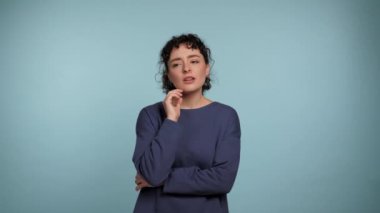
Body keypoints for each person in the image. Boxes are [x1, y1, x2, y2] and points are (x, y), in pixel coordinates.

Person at [132, 33, 241, 213]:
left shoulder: (226, 116)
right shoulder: (150, 115)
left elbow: (223, 179)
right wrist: (171, 119)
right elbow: (151, 173)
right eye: (176, 64)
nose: (186, 69)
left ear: (206, 68)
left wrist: (163, 181)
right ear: (168, 75)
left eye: (194, 61)